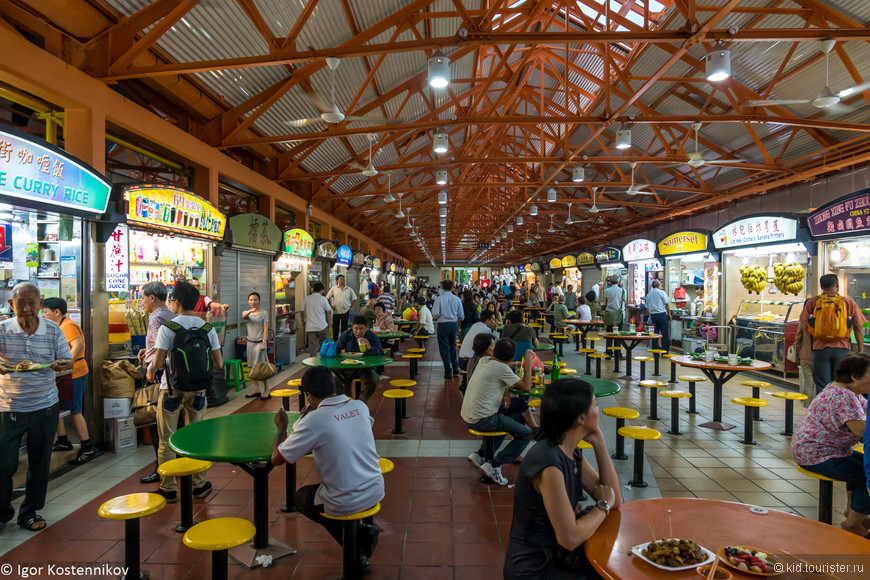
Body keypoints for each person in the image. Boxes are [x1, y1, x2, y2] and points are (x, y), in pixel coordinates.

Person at [504, 378, 623, 579]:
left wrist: (600, 443)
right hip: (536, 569)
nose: (597, 408)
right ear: (581, 418)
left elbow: (616, 500)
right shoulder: (548, 462)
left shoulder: (568, 450)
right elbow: (569, 537)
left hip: (558, 557)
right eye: (594, 404)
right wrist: (602, 505)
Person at [272, 366, 383, 575]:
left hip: (345, 498)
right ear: (333, 387)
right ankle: (360, 541)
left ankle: (357, 547)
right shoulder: (360, 406)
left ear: (308, 395)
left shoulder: (313, 420)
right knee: (329, 496)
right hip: (376, 488)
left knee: (301, 498)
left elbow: (278, 458)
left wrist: (282, 426)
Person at [0, 283, 73, 532]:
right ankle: (2, 513)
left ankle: (29, 512)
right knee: (3, 464)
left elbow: (67, 358)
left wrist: (62, 364)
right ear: (12, 305)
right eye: (21, 303)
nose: (27, 308)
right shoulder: (2, 329)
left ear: (41, 304)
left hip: (44, 405)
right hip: (8, 406)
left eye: (32, 303)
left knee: (40, 462)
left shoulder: (53, 330)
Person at [148, 280, 223, 502]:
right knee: (197, 436)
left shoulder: (168, 328)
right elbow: (218, 363)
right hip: (199, 390)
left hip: (171, 390)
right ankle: (199, 484)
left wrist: (152, 369)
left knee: (166, 439)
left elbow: (159, 363)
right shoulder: (207, 328)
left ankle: (169, 488)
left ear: (177, 302)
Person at [792, 353, 868, 536]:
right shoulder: (844, 396)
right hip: (817, 455)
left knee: (864, 463)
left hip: (822, 450)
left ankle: (854, 510)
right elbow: (862, 432)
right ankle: (853, 523)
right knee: (866, 474)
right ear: (855, 377)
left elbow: (865, 411)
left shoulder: (843, 389)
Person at [463, 338, 534, 485]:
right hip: (483, 419)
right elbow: (526, 387)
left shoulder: (484, 360)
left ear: (494, 352)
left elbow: (502, 369)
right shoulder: (502, 369)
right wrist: (527, 361)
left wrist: (506, 391)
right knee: (526, 434)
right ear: (511, 357)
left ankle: (480, 455)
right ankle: (494, 465)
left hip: (469, 415)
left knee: (518, 407)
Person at [42, 298, 94, 465]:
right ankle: (63, 441)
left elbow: (77, 345)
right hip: (68, 373)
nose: (43, 315)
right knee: (59, 406)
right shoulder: (58, 326)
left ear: (56, 312)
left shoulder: (67, 325)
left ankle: (87, 447)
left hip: (75, 372)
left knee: (74, 410)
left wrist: (66, 363)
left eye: (45, 312)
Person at [136, 281, 177, 484]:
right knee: (173, 422)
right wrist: (148, 350)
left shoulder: (156, 316)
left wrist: (152, 365)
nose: (141, 302)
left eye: (142, 298)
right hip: (171, 375)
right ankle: (175, 463)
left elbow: (165, 344)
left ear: (152, 298)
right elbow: (165, 342)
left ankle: (162, 468)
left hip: (159, 375)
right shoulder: (170, 315)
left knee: (156, 424)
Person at [799, 274, 866, 393]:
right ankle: (836, 411)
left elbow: (804, 325)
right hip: (842, 349)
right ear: (837, 285)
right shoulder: (848, 302)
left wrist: (805, 348)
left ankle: (823, 410)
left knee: (822, 385)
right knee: (840, 384)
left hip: (820, 349)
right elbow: (859, 327)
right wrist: (860, 351)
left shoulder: (813, 302)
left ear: (821, 286)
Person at [335, 315, 384, 402]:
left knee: (373, 381)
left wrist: (370, 348)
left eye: (362, 329)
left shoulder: (372, 336)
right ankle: (346, 401)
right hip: (348, 367)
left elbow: (380, 353)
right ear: (352, 327)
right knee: (334, 382)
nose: (358, 332)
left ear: (367, 328)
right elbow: (336, 349)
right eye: (356, 328)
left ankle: (361, 401)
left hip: (366, 368)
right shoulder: (346, 335)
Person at [459, 310, 499, 389]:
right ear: (487, 321)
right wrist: (495, 330)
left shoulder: (475, 325)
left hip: (461, 360)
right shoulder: (486, 331)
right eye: (493, 320)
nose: (494, 323)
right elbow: (494, 344)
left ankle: (465, 382)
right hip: (469, 361)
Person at [242, 292, 271, 400]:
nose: (253, 302)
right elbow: (243, 316)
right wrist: (250, 311)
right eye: (251, 300)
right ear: (248, 301)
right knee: (252, 366)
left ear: (259, 301)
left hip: (260, 342)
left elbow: (265, 328)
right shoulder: (246, 312)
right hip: (250, 342)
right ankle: (256, 388)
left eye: (255, 300)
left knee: (262, 367)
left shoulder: (264, 313)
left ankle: (267, 388)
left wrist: (264, 342)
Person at [432, 279, 464, 380]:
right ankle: (455, 367)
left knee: (444, 348)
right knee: (452, 346)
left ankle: (448, 371)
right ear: (452, 287)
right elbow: (461, 316)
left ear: (442, 287)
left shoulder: (439, 299)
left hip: (443, 325)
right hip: (453, 325)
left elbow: (435, 314)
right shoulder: (457, 299)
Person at [301, 282, 332, 358]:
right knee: (324, 345)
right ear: (321, 291)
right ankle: (324, 362)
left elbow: (302, 311)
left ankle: (313, 364)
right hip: (322, 326)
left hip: (311, 327)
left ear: (313, 289)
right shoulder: (323, 298)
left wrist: (303, 320)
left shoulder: (307, 298)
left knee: (312, 347)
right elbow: (329, 311)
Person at [326, 274, 358, 341]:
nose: (342, 280)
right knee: (335, 328)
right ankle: (335, 342)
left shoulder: (349, 289)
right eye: (341, 279)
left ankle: (344, 341)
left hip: (345, 311)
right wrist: (331, 306)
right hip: (336, 311)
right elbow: (327, 297)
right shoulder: (334, 289)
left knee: (344, 328)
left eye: (343, 279)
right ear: (337, 280)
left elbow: (354, 299)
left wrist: (351, 307)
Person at [792, 319, 815, 407]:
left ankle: (807, 406)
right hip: (820, 355)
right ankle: (816, 407)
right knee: (819, 383)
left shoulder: (805, 318)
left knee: (808, 382)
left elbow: (798, 336)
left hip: (805, 354)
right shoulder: (825, 317)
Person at [645, 280, 672, 351]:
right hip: (662, 315)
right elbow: (667, 304)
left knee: (654, 334)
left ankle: (655, 350)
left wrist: (650, 315)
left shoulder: (648, 295)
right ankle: (665, 351)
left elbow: (647, 307)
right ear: (659, 286)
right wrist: (669, 313)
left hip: (653, 316)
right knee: (664, 334)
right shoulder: (661, 292)